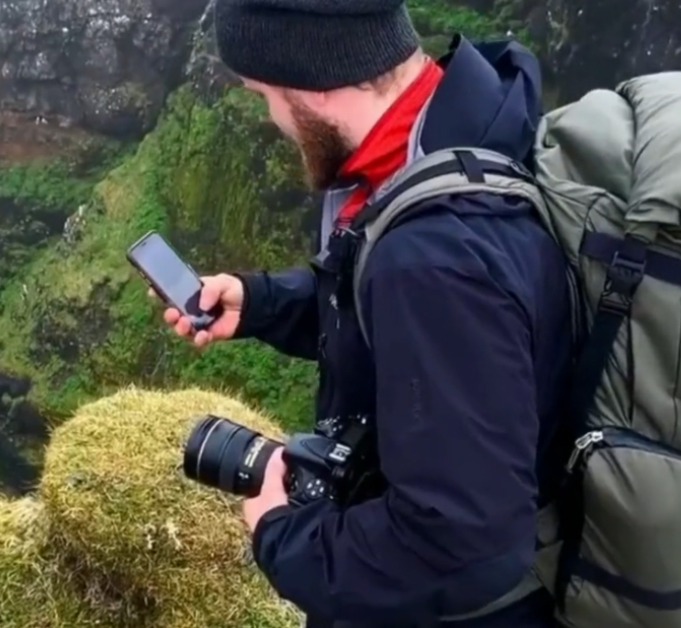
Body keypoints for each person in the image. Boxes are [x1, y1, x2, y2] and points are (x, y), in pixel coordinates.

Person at [157, 1, 576, 626]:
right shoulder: (466, 130)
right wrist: (263, 304)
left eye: (264, 95)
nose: (272, 119)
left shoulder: (433, 258)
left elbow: (462, 549)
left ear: (311, 83)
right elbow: (437, 330)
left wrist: (280, 530)